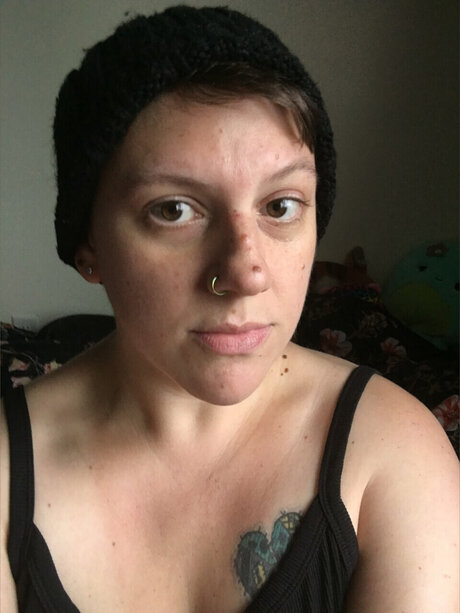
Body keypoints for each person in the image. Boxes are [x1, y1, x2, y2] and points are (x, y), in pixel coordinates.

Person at [1, 5, 458, 613]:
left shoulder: (395, 456)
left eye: (280, 206)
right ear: (89, 246)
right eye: (173, 210)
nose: (245, 273)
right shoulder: (6, 473)